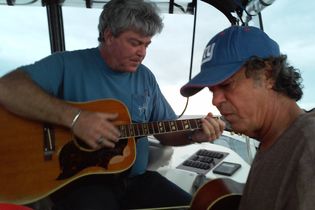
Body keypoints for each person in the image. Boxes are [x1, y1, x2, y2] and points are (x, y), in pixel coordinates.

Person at [0, 0, 225, 209]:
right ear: (108, 36)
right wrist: (75, 118)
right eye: (135, 43)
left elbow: (166, 132)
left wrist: (193, 135)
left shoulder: (145, 78)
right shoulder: (68, 64)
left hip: (135, 181)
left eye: (147, 44)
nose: (142, 53)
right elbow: (7, 87)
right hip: (80, 182)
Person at [180, 25, 315, 210]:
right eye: (212, 90)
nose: (215, 100)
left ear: (268, 75)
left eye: (226, 85)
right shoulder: (274, 139)